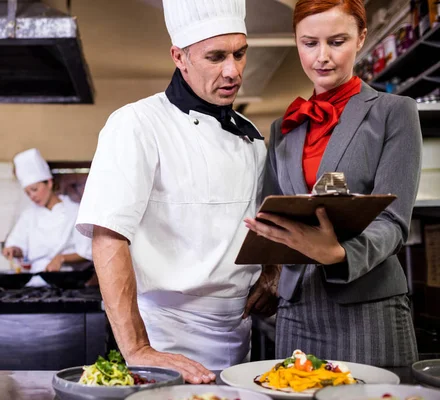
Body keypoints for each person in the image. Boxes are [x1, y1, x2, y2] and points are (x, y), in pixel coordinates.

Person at [76, 0, 280, 384]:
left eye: (240, 54)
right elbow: (108, 238)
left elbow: (260, 223)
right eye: (215, 56)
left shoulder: (251, 137)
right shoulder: (136, 124)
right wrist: (138, 349)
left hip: (237, 337)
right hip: (162, 336)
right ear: (179, 57)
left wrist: (272, 273)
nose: (232, 70)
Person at [244, 0, 422, 366]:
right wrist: (270, 272)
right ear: (296, 42)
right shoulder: (284, 128)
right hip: (296, 307)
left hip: (367, 304)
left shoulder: (394, 113)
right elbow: (272, 211)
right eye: (309, 43)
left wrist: (339, 255)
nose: (322, 57)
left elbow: (393, 223)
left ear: (361, 39)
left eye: (336, 41)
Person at [3, 148, 92, 285]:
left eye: (34, 189)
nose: (32, 196)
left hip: (67, 280)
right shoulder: (28, 215)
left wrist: (61, 258)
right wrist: (14, 250)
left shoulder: (74, 211)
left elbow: (87, 252)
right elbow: (18, 244)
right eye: (28, 193)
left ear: (49, 183)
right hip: (35, 281)